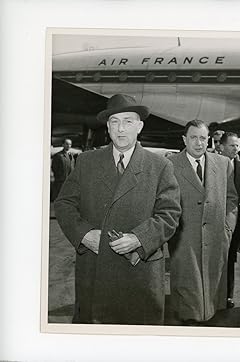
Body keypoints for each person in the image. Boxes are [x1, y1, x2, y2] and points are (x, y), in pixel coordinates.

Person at [54, 94, 181, 325]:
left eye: (128, 121)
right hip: (95, 268)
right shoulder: (86, 162)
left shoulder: (160, 166)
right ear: (108, 127)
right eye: (114, 122)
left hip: (140, 270)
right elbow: (64, 204)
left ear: (139, 127)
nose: (121, 128)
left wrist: (139, 238)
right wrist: (84, 234)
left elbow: (170, 214)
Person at [168, 120, 238, 325]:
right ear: (184, 139)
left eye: (202, 138)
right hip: (183, 239)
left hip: (216, 237)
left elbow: (232, 198)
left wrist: (227, 227)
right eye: (193, 137)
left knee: (211, 291)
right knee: (187, 295)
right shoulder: (170, 164)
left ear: (209, 140)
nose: (198, 143)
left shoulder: (223, 164)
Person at [220, 132, 240, 308]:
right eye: (232, 145)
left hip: (236, 220)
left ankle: (228, 295)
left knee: (230, 257)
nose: (236, 148)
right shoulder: (211, 165)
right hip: (215, 219)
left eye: (237, 145)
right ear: (221, 147)